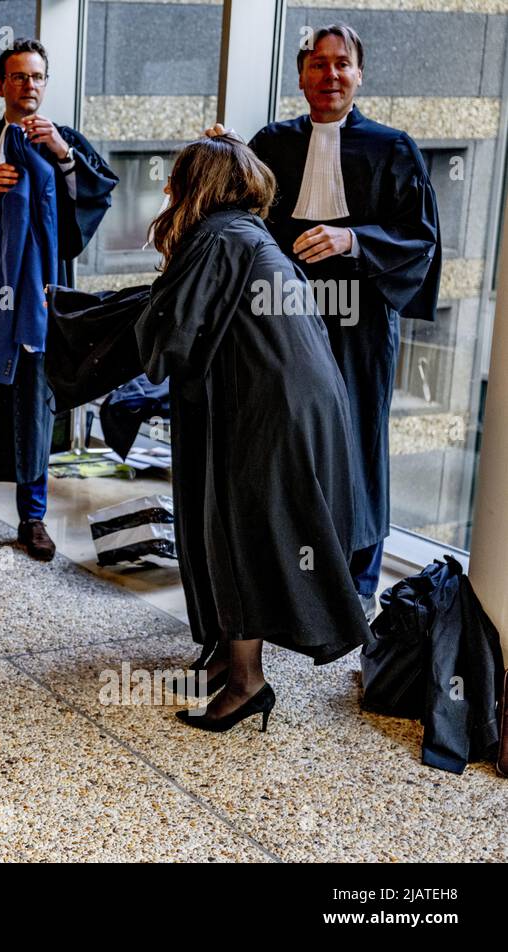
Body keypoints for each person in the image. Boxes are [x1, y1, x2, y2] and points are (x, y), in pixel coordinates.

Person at [136, 135, 371, 731]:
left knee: (239, 532)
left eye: (178, 179)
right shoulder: (248, 233)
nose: (168, 189)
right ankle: (228, 665)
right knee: (252, 527)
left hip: (271, 404)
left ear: (200, 187)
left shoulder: (217, 236)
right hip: (301, 398)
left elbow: (177, 330)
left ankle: (247, 684)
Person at [206, 24, 440, 622]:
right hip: (284, 315)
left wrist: (352, 237)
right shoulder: (273, 142)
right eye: (318, 65)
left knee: (359, 432)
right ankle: (288, 563)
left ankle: (358, 576)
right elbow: (237, 202)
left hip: (359, 317)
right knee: (288, 431)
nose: (329, 76)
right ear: (302, 73)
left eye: (342, 65)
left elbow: (420, 240)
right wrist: (221, 154)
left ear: (359, 75)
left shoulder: (394, 149)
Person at [0, 39, 116, 560]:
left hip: (40, 297)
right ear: (0, 86)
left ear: (44, 84)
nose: (27, 85)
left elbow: (97, 196)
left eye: (36, 77)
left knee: (34, 406)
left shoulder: (65, 142)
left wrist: (62, 153)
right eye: (17, 77)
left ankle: (32, 520)